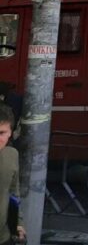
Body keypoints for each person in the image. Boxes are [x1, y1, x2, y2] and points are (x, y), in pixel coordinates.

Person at [0, 105, 25, 245]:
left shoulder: (11, 155)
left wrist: (18, 224)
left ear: (10, 133)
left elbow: (13, 193)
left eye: (1, 133)